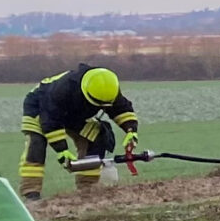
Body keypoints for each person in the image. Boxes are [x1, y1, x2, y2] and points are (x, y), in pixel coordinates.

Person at [18, 65, 141, 203]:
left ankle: (87, 190)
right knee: (37, 145)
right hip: (40, 108)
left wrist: (131, 131)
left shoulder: (108, 89)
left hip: (74, 115)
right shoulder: (62, 91)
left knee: (98, 137)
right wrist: (61, 150)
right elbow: (50, 121)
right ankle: (31, 194)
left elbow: (121, 109)